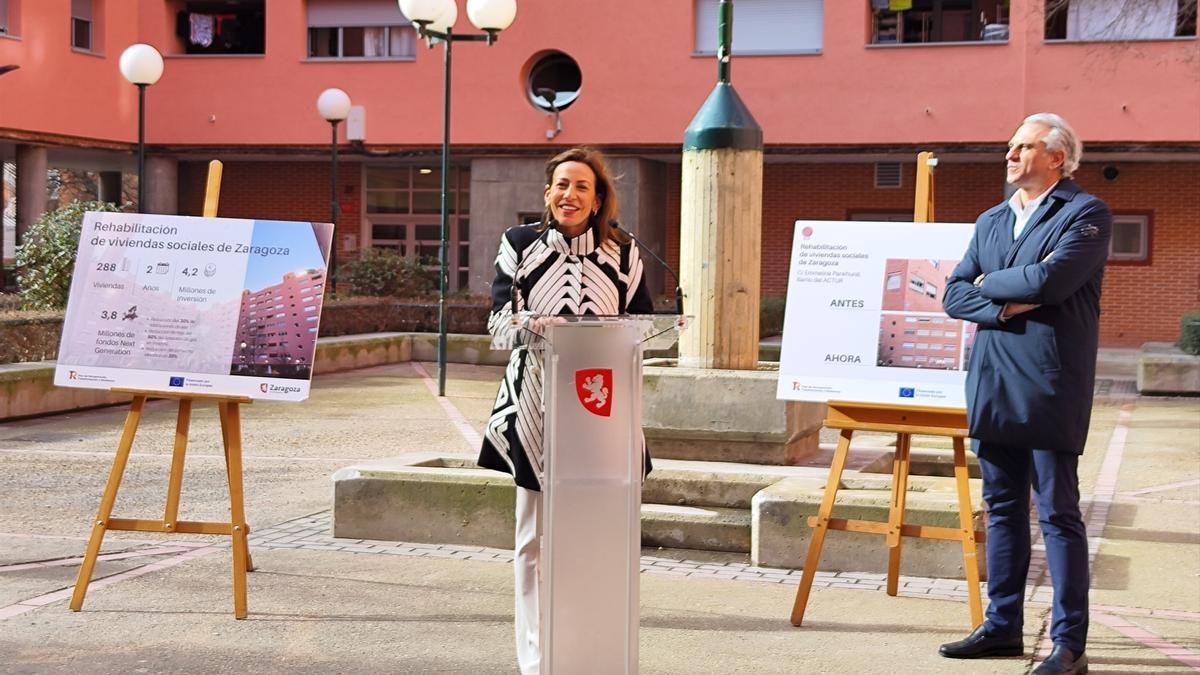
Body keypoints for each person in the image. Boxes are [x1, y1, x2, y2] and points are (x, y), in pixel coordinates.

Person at [941, 113, 1111, 675]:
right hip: (992, 377)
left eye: (1023, 146)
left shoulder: (1085, 213)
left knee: (1058, 512)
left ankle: (1069, 644)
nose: (1010, 154)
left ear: (1057, 157)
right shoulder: (992, 218)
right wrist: (998, 297)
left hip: (1048, 380)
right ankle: (1001, 626)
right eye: (1009, 145)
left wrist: (989, 285)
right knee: (1003, 507)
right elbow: (954, 294)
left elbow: (1052, 282)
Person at [477, 147, 654, 675]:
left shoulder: (624, 253)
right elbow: (496, 324)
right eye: (560, 185)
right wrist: (533, 324)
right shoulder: (519, 245)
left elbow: (643, 326)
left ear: (598, 198)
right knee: (531, 541)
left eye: (581, 186)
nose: (569, 195)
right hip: (532, 410)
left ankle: (593, 651)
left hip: (602, 417)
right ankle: (535, 662)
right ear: (547, 193)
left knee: (601, 538)